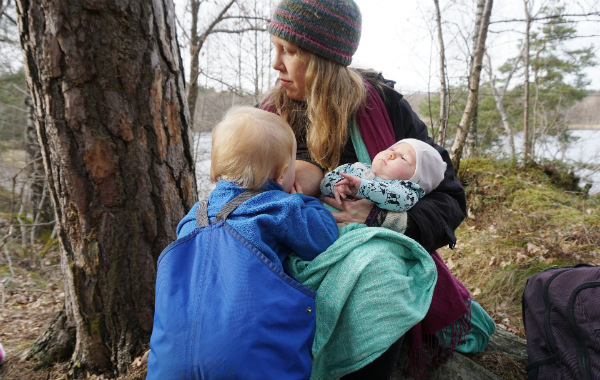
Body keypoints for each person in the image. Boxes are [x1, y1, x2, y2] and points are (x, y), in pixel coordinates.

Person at [259, 0, 479, 378]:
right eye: (275, 47)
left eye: (290, 51)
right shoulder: (270, 115)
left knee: (380, 276)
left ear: (325, 58)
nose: (275, 63)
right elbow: (242, 197)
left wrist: (385, 218)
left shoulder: (385, 107)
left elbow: (449, 196)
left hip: (374, 261)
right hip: (297, 257)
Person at [147, 106, 339, 380]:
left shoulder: (193, 216)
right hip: (248, 361)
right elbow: (322, 238)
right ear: (282, 174)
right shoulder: (279, 208)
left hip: (171, 360)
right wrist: (303, 201)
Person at [320, 138, 447, 212]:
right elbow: (325, 181)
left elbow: (401, 201)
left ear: (416, 179)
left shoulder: (405, 191)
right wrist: (335, 186)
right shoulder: (356, 167)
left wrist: (363, 187)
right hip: (326, 215)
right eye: (392, 149)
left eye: (403, 158)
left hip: (362, 236)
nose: (391, 154)